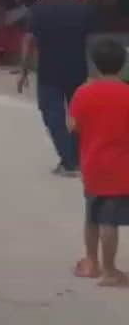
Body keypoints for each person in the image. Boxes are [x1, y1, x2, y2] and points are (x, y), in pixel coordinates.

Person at [67, 38, 129, 287]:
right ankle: (110, 270)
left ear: (95, 63)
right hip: (121, 165)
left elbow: (72, 126)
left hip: (92, 164)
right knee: (109, 220)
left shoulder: (84, 91)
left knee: (92, 215)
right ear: (123, 64)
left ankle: (92, 261)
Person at [19, 0, 94, 177]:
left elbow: (28, 41)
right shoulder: (83, 10)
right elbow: (91, 42)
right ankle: (75, 158)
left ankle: (69, 162)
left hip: (49, 72)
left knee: (54, 117)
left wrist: (23, 71)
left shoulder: (38, 10)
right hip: (77, 70)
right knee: (78, 115)